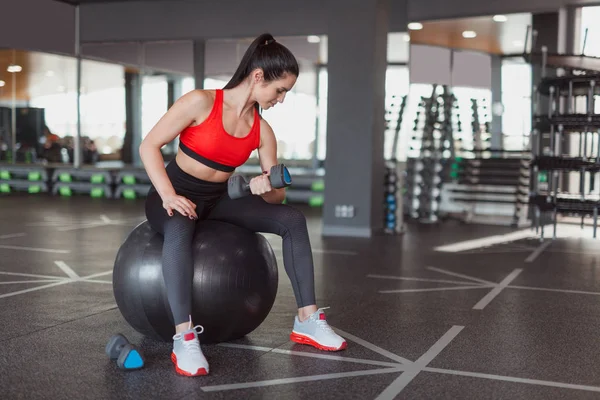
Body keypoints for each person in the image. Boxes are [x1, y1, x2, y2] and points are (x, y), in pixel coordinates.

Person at [139, 33, 347, 378]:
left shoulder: (262, 131)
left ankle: (307, 320)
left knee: (293, 219)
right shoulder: (200, 102)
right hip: (172, 193)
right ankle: (184, 337)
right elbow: (149, 146)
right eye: (279, 90)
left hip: (218, 200)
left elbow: (277, 197)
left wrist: (264, 187)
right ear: (257, 76)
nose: (280, 99)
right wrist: (168, 196)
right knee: (178, 228)